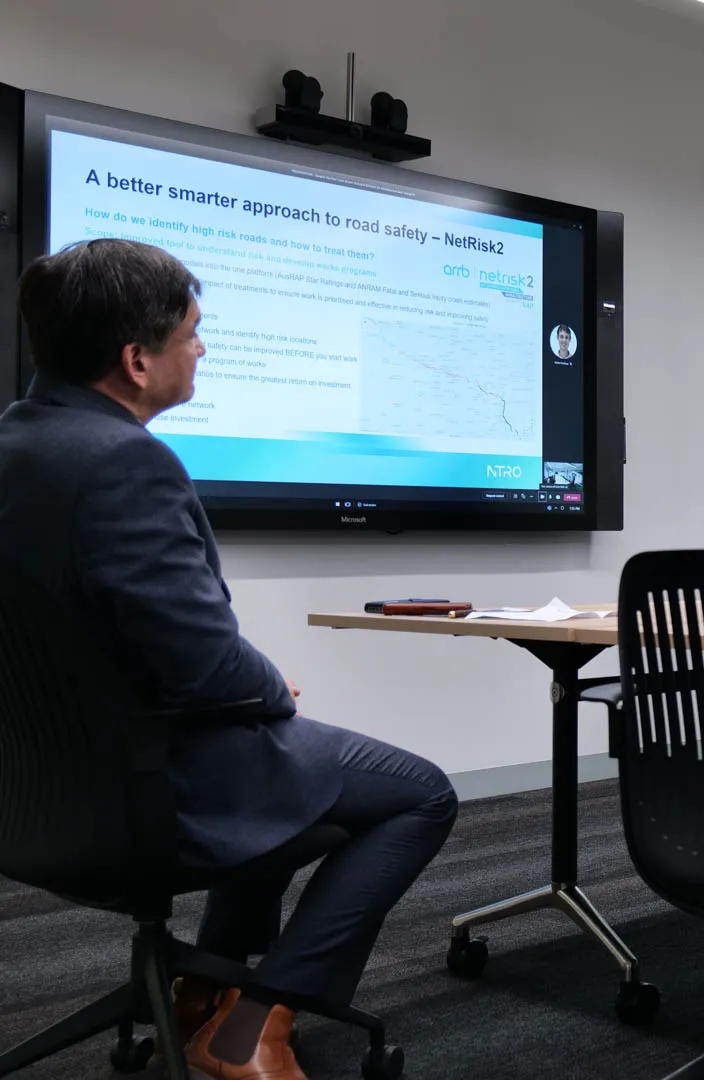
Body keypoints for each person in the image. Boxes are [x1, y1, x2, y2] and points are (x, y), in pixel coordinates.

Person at [0, 239, 459, 1080]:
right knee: (421, 793)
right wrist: (267, 684)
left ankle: (198, 992)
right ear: (137, 361)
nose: (203, 349)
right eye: (193, 334)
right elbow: (206, 669)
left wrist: (241, 682)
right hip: (153, 792)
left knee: (275, 755)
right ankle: (253, 1021)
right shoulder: (123, 464)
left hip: (39, 791)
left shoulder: (17, 446)